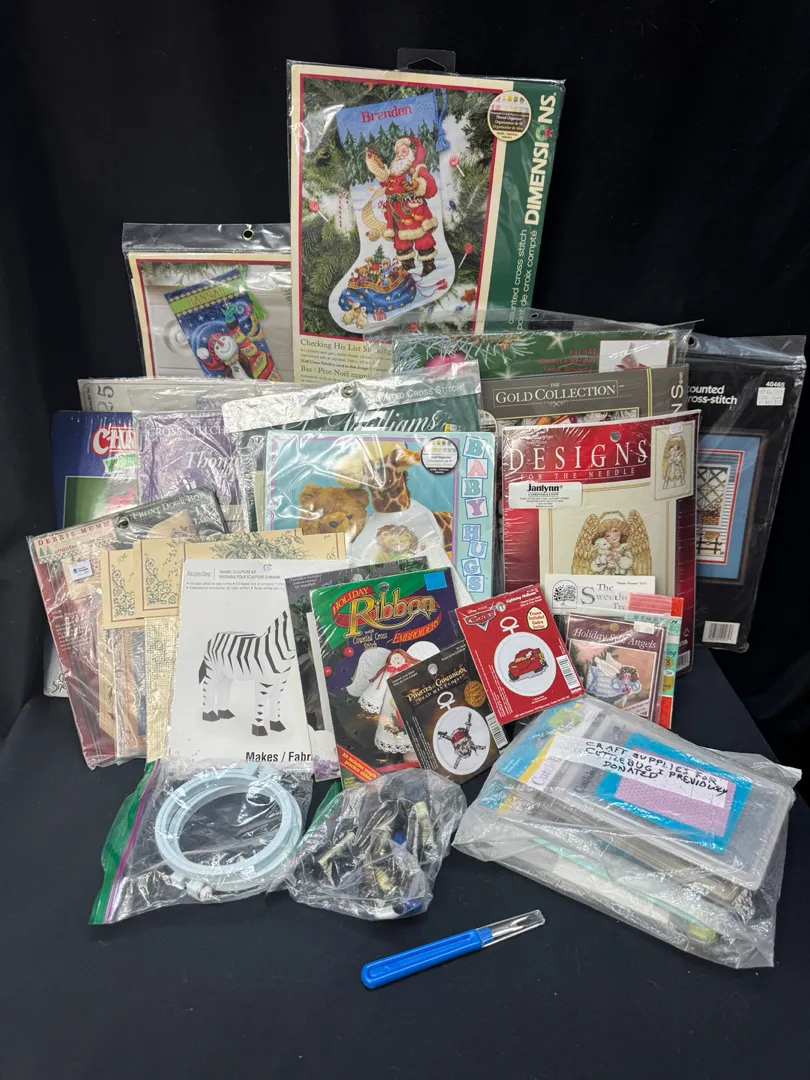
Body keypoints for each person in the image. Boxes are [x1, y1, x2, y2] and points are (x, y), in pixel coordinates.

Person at [365, 136, 438, 275]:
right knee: (401, 241)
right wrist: (376, 165)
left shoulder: (414, 169)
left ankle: (429, 264)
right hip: (397, 213)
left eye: (403, 151)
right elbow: (384, 181)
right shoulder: (393, 173)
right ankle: (407, 265)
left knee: (422, 237)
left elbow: (431, 188)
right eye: (397, 153)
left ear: (411, 153)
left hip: (413, 211)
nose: (399, 155)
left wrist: (416, 185)